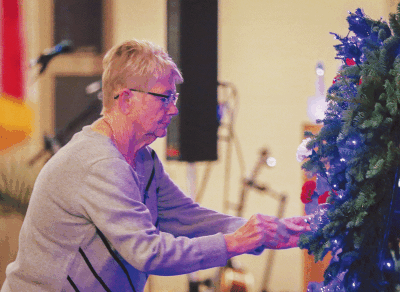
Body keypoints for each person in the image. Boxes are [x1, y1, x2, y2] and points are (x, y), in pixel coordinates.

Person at [1, 39, 310, 292]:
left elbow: (185, 218)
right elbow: (149, 252)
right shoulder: (98, 163)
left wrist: (268, 231)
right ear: (125, 101)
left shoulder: (143, 158)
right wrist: (234, 242)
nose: (174, 109)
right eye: (164, 97)